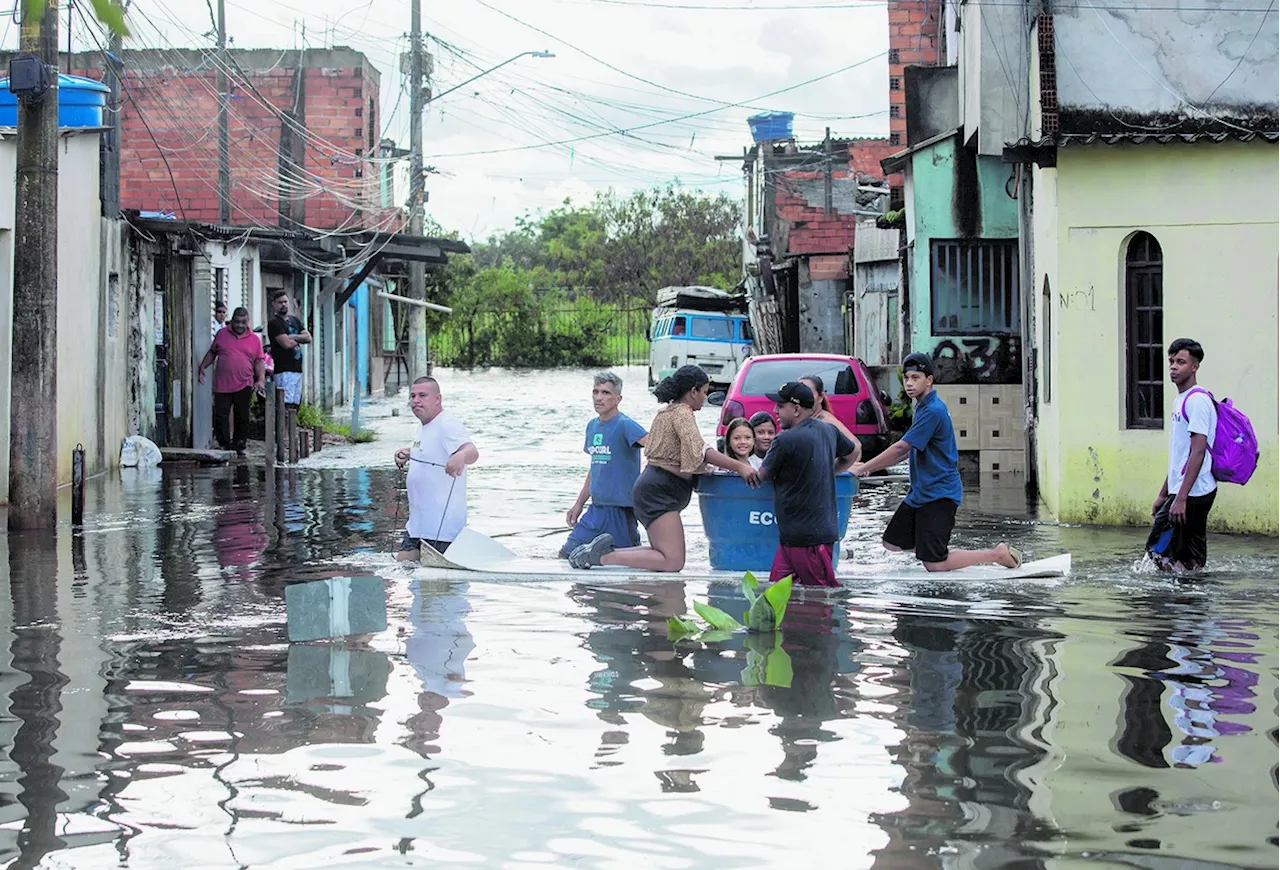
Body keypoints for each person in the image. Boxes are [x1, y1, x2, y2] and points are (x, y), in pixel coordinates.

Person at [568, 365, 758, 571]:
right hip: (658, 492)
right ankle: (603, 557)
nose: (705, 397)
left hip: (652, 488)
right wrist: (739, 466)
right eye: (704, 392)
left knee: (663, 554)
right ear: (693, 392)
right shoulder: (681, 413)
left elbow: (680, 453)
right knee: (672, 561)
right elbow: (700, 450)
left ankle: (599, 554)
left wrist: (705, 467)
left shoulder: (667, 412)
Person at [852, 352, 1021, 572]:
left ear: (929, 380)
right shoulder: (922, 407)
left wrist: (864, 469)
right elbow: (908, 450)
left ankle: (995, 554)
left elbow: (902, 447)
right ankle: (934, 546)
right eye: (907, 378)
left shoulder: (933, 411)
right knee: (892, 542)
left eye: (916, 378)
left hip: (940, 494)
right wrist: (869, 468)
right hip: (921, 493)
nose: (910, 383)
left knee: (934, 564)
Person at [756, 382, 858, 587]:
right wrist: (830, 471)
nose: (774, 410)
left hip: (808, 540)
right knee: (778, 594)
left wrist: (734, 465)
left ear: (796, 409)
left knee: (818, 599)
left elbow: (761, 476)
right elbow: (853, 451)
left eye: (780, 406)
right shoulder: (829, 430)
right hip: (797, 538)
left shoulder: (785, 440)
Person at [1146, 338, 1217, 572]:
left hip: (1194, 492)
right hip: (1186, 490)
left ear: (1195, 366)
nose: (1173, 367)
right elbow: (1180, 456)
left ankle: (1172, 602)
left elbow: (1197, 452)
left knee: (1157, 550)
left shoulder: (1197, 400)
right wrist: (1163, 493)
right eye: (1171, 362)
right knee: (1188, 557)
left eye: (1181, 362)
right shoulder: (1181, 400)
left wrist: (1181, 499)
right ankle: (1192, 603)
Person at [562, 372, 649, 559]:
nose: (599, 398)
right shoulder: (592, 426)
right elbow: (595, 468)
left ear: (618, 398)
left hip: (620, 510)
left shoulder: (626, 425)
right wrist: (578, 504)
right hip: (595, 510)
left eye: (606, 393)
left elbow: (657, 446)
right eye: (595, 392)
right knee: (567, 554)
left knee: (627, 562)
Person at [394, 377, 480, 560]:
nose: (415, 400)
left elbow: (471, 451)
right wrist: (409, 453)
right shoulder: (424, 426)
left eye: (422, 395)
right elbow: (431, 451)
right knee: (403, 568)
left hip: (441, 529)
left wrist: (460, 456)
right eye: (413, 396)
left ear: (437, 399)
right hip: (418, 525)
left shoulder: (447, 423)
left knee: (433, 585)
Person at [198, 306, 265, 456]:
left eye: (243, 322)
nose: (240, 325)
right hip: (223, 383)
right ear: (232, 321)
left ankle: (239, 444)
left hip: (244, 382)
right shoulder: (222, 334)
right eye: (237, 322)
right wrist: (202, 366)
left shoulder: (254, 339)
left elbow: (259, 361)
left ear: (247, 322)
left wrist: (260, 379)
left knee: (242, 415)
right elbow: (212, 352)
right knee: (221, 414)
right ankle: (224, 444)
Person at [267, 289, 312, 459]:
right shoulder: (274, 323)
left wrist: (292, 336)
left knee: (294, 404)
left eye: (285, 302)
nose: (283, 305)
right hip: (283, 370)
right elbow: (285, 344)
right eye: (280, 302)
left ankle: (291, 434)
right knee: (284, 405)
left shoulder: (294, 320)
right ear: (274, 305)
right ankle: (283, 437)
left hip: (297, 370)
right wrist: (296, 337)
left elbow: (308, 338)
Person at [799, 374, 861, 458]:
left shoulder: (825, 421)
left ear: (820, 397)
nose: (802, 398)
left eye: (808, 393)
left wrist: (839, 468)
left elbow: (856, 447)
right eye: (798, 393)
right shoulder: (807, 420)